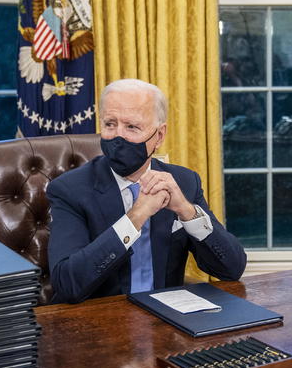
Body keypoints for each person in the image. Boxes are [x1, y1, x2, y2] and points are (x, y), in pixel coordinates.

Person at [47, 78, 247, 303]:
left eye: (131, 127)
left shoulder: (184, 182)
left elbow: (232, 268)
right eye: (110, 124)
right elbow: (67, 284)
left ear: (159, 136)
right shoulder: (69, 190)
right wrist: (135, 217)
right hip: (101, 316)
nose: (118, 136)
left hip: (166, 315)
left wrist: (186, 211)